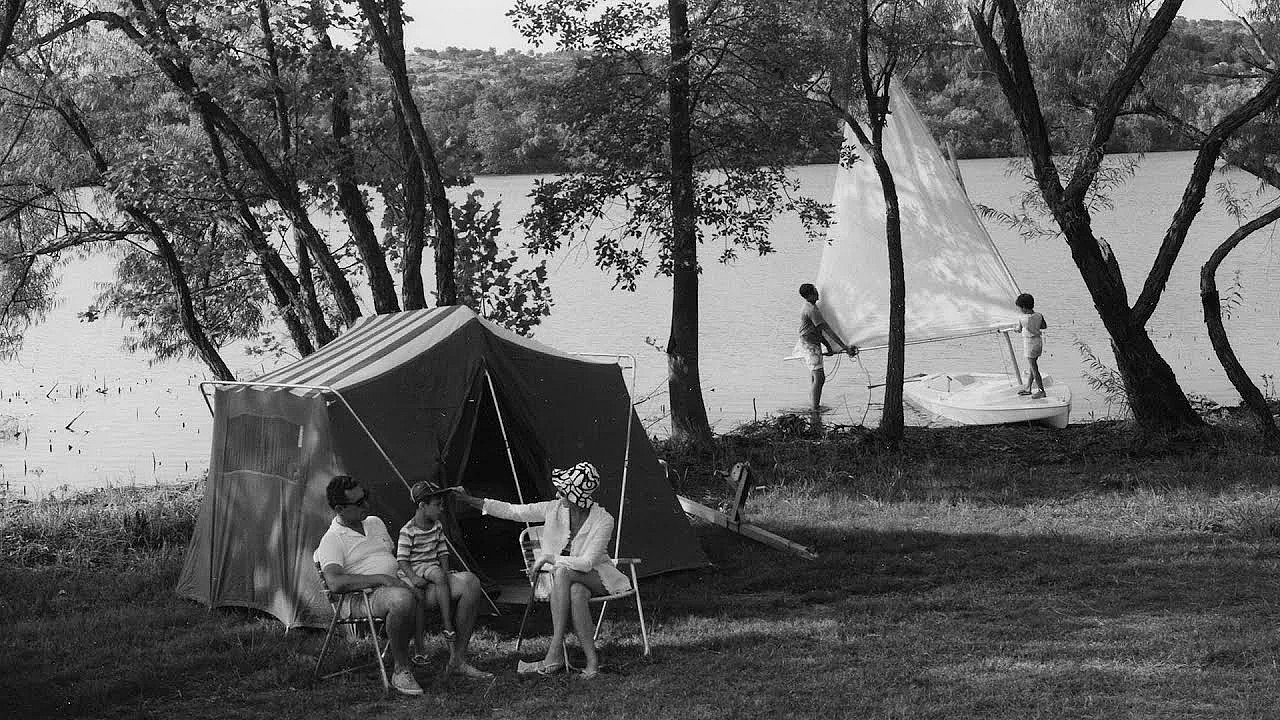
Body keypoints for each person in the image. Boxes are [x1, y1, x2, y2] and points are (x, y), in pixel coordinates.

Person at [313, 475, 492, 697]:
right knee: (401, 598)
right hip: (363, 598)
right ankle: (401, 670)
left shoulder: (375, 522)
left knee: (469, 583)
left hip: (402, 583)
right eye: (359, 503)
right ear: (339, 508)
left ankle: (458, 660)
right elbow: (335, 582)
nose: (366, 505)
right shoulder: (332, 539)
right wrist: (382, 579)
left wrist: (418, 574)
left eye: (365, 498)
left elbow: (398, 558)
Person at [451, 461, 629, 679]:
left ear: (575, 497)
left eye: (562, 491)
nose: (557, 494)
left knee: (563, 572)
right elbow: (513, 511)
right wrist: (471, 501)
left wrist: (547, 557)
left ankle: (554, 652)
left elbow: (587, 563)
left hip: (599, 577)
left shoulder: (603, 520)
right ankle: (592, 662)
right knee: (576, 592)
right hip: (571, 584)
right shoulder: (554, 509)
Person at [397, 480, 456, 663]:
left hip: (430, 566)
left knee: (439, 575)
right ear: (422, 506)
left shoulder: (437, 526)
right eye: (437, 505)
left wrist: (445, 572)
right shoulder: (408, 531)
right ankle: (419, 647)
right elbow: (402, 560)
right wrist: (413, 577)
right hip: (413, 568)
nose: (441, 509)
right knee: (418, 598)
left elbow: (442, 551)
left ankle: (447, 623)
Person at [798, 283, 856, 412]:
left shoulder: (811, 307)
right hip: (810, 345)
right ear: (810, 295)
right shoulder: (812, 310)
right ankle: (815, 408)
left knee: (815, 375)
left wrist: (828, 346)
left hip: (811, 341)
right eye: (815, 291)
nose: (818, 292)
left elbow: (818, 331)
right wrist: (844, 347)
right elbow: (827, 330)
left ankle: (814, 405)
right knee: (819, 377)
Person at [1014, 292, 1048, 399]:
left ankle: (1041, 390)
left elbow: (1018, 330)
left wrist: (1015, 329)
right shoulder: (1039, 315)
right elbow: (1044, 326)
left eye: (1019, 308)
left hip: (1029, 344)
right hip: (1038, 343)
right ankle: (1028, 388)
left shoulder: (1023, 319)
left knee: (1034, 368)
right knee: (1032, 366)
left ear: (1023, 307)